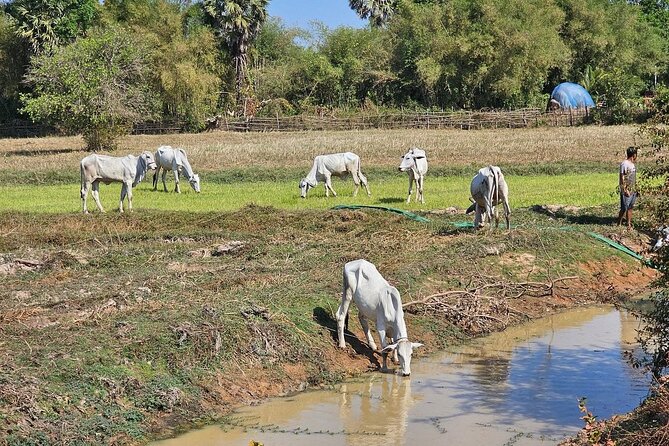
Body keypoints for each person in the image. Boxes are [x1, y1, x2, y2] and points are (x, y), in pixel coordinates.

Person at [618, 146, 638, 229]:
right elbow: (622, 177)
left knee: (630, 207)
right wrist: (625, 189)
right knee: (624, 207)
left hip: (633, 189)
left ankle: (628, 223)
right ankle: (618, 223)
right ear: (633, 155)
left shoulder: (632, 164)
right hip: (627, 189)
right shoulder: (624, 164)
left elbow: (633, 178)